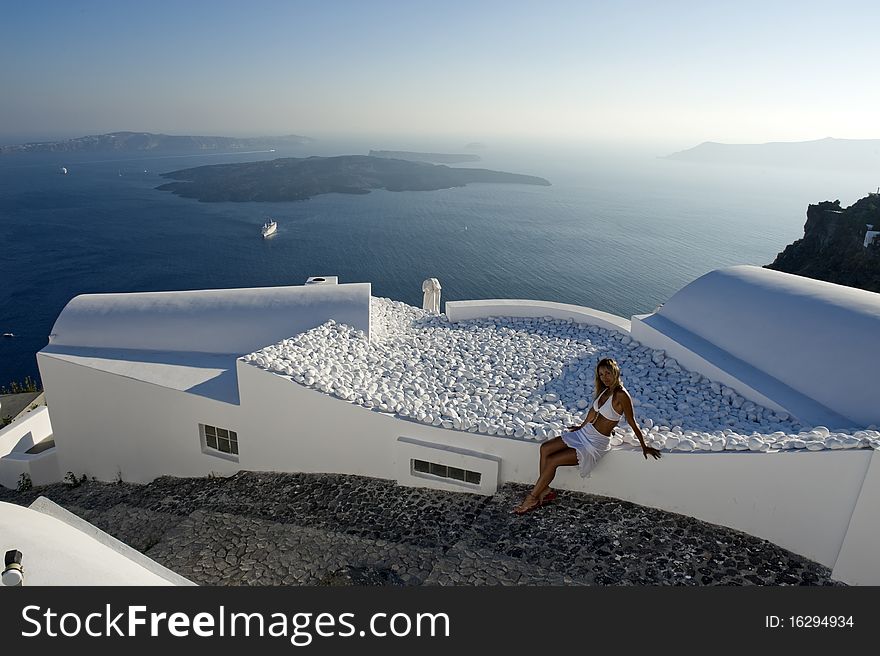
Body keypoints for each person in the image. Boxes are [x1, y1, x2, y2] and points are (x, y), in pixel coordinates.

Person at [514, 357, 661, 515]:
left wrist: (644, 446)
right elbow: (592, 412)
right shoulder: (605, 390)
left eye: (608, 373)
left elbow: (632, 422)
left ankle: (532, 498)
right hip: (585, 433)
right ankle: (546, 490)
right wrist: (581, 427)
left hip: (596, 442)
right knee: (545, 448)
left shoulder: (621, 395)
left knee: (552, 460)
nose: (605, 377)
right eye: (601, 374)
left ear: (616, 372)